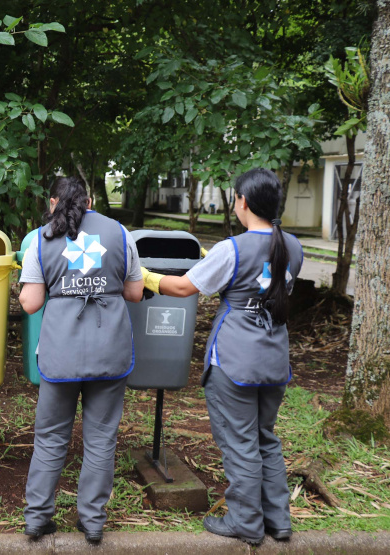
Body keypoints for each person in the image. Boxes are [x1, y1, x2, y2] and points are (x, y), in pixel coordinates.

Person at [141, 168, 304, 545]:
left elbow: (183, 287)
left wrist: (144, 275)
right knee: (265, 437)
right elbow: (265, 283)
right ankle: (278, 520)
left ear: (242, 202)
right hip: (274, 357)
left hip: (234, 361)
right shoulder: (294, 246)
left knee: (240, 441)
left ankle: (245, 522)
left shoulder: (233, 248)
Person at [18, 176, 144, 544]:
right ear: (89, 201)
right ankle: (92, 521)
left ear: (54, 201)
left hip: (61, 353)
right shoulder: (120, 232)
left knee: (50, 438)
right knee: (101, 438)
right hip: (110, 350)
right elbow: (135, 293)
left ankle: (38, 518)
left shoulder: (41, 239)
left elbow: (30, 303)